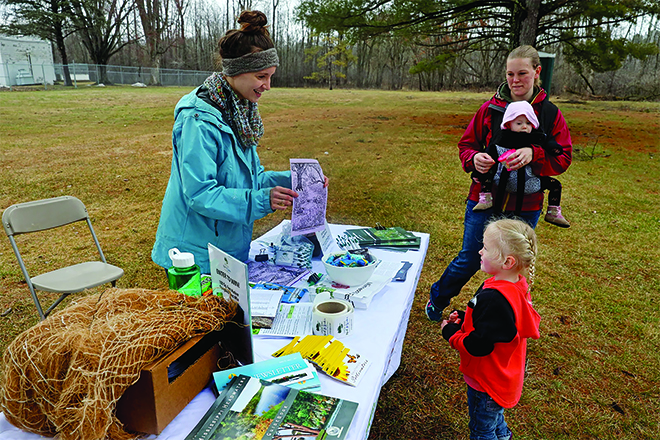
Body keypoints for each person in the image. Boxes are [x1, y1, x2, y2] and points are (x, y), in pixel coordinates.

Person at [152, 10, 327, 274]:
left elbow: (248, 181)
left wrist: (296, 181)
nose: (268, 85)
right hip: (194, 257)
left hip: (227, 248)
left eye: (271, 76)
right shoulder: (198, 119)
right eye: (261, 76)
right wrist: (262, 200)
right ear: (237, 71)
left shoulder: (240, 112)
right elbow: (200, 194)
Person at [426, 45, 572, 321]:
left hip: (526, 205)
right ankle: (438, 298)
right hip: (484, 200)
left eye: (522, 73)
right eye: (510, 74)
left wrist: (535, 154)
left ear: (537, 72)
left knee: (508, 267)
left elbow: (563, 157)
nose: (515, 80)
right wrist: (475, 159)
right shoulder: (490, 109)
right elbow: (466, 146)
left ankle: (477, 313)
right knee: (471, 257)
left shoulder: (550, 114)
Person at [441, 218, 540, 440]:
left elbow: (479, 345)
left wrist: (451, 333)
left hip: (487, 381)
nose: (479, 251)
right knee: (495, 418)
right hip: (505, 374)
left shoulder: (494, 298)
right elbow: (499, 324)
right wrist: (468, 318)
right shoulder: (516, 284)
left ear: (507, 261)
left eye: (485, 247)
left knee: (482, 428)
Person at [472, 100, 570, 228]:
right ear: (509, 123)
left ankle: (553, 211)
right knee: (487, 174)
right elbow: (489, 152)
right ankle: (485, 197)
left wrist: (551, 150)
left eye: (529, 123)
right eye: (519, 123)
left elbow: (553, 147)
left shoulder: (538, 137)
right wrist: (478, 164)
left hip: (532, 183)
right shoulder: (501, 138)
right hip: (501, 181)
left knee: (555, 185)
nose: (524, 126)